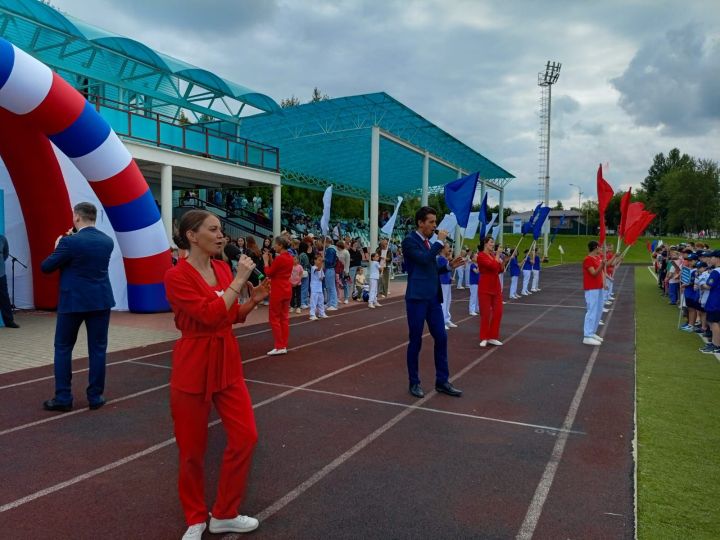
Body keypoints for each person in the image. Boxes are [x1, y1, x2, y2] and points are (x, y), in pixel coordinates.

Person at [164, 209, 269, 539]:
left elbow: (228, 315)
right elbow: (209, 316)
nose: (221, 234)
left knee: (245, 436)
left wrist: (252, 303)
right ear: (192, 236)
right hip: (193, 362)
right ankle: (195, 516)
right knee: (192, 449)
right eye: (213, 229)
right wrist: (239, 281)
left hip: (226, 359)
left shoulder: (223, 267)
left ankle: (224, 512)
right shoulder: (177, 276)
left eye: (221, 228)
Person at [40, 202, 115, 411]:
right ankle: (95, 396)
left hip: (73, 301)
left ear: (76, 217)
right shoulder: (107, 241)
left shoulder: (69, 242)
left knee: (63, 348)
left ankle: (63, 398)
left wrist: (58, 246)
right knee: (98, 349)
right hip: (100, 300)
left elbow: (46, 267)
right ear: (94, 217)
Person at [401, 206, 464, 399]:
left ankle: (442, 381)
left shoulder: (429, 244)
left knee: (442, 338)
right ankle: (414, 382)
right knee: (416, 341)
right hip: (417, 299)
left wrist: (448, 267)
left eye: (435, 222)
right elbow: (423, 260)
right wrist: (439, 241)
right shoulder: (410, 241)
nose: (434, 226)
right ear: (420, 223)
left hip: (433, 299)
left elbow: (430, 268)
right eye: (431, 222)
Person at [263, 237, 293, 355]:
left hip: (278, 290)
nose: (274, 246)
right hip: (286, 288)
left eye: (275, 244)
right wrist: (271, 259)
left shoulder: (280, 258)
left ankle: (279, 345)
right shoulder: (289, 257)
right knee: (284, 318)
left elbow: (269, 272)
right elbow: (278, 269)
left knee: (274, 318)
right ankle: (283, 344)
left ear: (280, 245)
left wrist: (266, 261)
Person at [476, 236, 504, 347]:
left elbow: (499, 269)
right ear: (485, 243)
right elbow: (492, 267)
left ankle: (493, 336)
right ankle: (484, 337)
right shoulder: (481, 256)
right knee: (486, 314)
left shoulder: (493, 255)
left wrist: (502, 262)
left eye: (493, 242)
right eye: (491, 242)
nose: (493, 244)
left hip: (496, 287)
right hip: (485, 287)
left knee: (498, 312)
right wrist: (497, 256)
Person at [582, 241, 606, 346]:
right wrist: (602, 265)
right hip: (591, 288)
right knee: (591, 310)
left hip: (599, 287)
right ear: (596, 247)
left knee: (599, 310)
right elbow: (594, 273)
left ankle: (592, 332)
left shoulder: (597, 257)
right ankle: (587, 336)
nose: (601, 249)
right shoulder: (588, 260)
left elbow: (601, 272)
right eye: (599, 247)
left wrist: (604, 283)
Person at [0, 233, 19, 328]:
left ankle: (9, 321)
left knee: (4, 297)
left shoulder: (2, 239)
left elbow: (6, 253)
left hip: (1, 273)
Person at [438, 244, 456, 329]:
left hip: (447, 282)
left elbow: (447, 270)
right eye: (447, 247)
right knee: (443, 302)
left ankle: (447, 319)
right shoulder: (441, 259)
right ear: (442, 249)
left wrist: (450, 277)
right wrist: (450, 257)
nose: (449, 249)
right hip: (442, 282)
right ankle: (441, 321)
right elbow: (443, 269)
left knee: (448, 301)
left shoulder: (445, 259)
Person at [308, 253, 328, 321]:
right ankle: (312, 314)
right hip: (314, 288)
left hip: (319, 288)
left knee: (321, 301)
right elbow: (318, 269)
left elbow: (322, 278)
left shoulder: (321, 268)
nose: (320, 261)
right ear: (315, 260)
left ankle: (321, 313)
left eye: (321, 260)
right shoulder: (313, 267)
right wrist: (322, 263)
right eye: (319, 260)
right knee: (313, 301)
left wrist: (321, 265)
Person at [323, 236, 339, 310]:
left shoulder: (330, 250)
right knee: (329, 287)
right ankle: (329, 303)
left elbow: (330, 261)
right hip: (330, 269)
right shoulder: (331, 249)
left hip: (330, 269)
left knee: (331, 287)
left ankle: (333, 304)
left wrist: (324, 259)